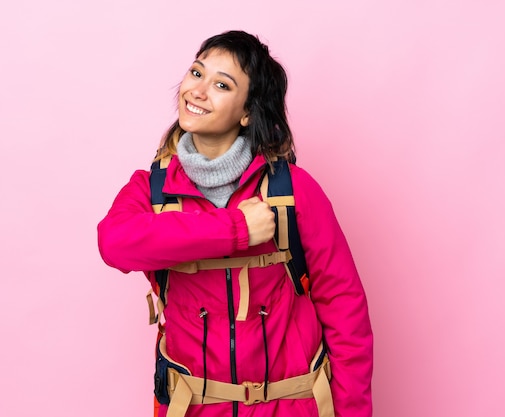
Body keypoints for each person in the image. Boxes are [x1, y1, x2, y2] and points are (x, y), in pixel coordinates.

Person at [97, 30, 373, 417]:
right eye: (197, 73)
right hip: (192, 407)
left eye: (221, 84)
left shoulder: (293, 191)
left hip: (292, 408)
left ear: (247, 112)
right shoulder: (151, 188)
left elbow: (346, 311)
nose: (198, 90)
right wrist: (236, 230)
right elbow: (114, 244)